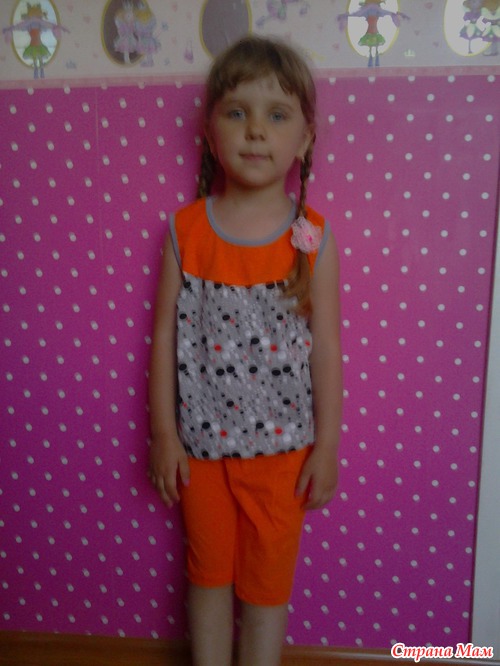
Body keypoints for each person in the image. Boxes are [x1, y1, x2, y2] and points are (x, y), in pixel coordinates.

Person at [148, 35, 343, 666]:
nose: (256, 130)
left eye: (277, 115)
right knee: (207, 577)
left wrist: (328, 445)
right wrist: (164, 434)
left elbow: (326, 348)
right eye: (237, 112)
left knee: (266, 590)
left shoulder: (312, 238)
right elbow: (164, 339)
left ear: (305, 139)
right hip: (201, 451)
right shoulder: (185, 230)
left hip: (284, 457)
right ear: (209, 132)